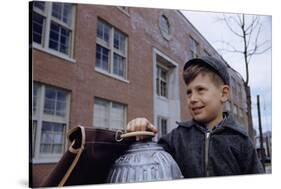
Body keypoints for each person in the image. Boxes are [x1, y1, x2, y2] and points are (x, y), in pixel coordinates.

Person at [126, 56, 264, 178]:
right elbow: (150, 161)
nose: (192, 99)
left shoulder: (240, 140)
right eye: (189, 92)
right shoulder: (177, 138)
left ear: (224, 94)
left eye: (200, 90)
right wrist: (143, 134)